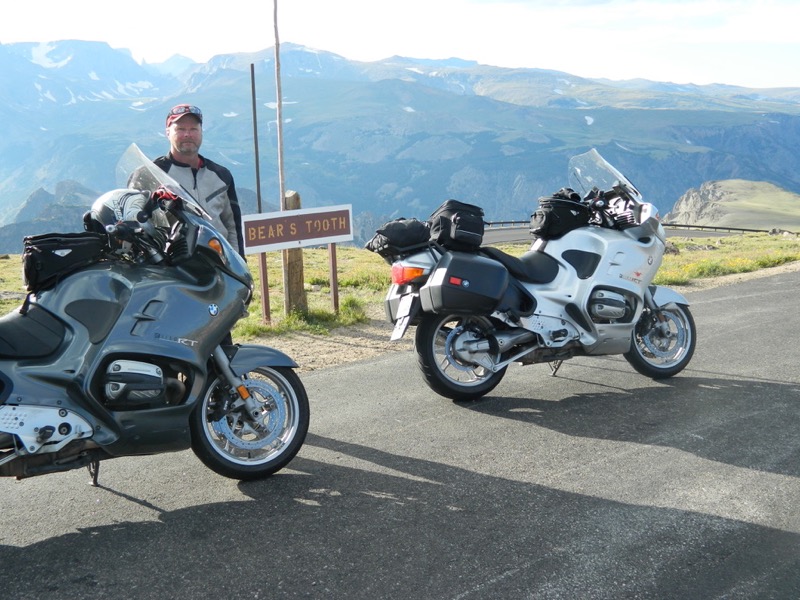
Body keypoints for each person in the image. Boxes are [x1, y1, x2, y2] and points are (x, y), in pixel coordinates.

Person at [152, 103, 245, 257]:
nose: (187, 134)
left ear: (201, 132)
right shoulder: (153, 173)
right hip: (174, 265)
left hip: (219, 261)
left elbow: (232, 226)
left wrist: (238, 262)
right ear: (168, 132)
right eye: (180, 129)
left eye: (193, 129)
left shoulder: (221, 175)